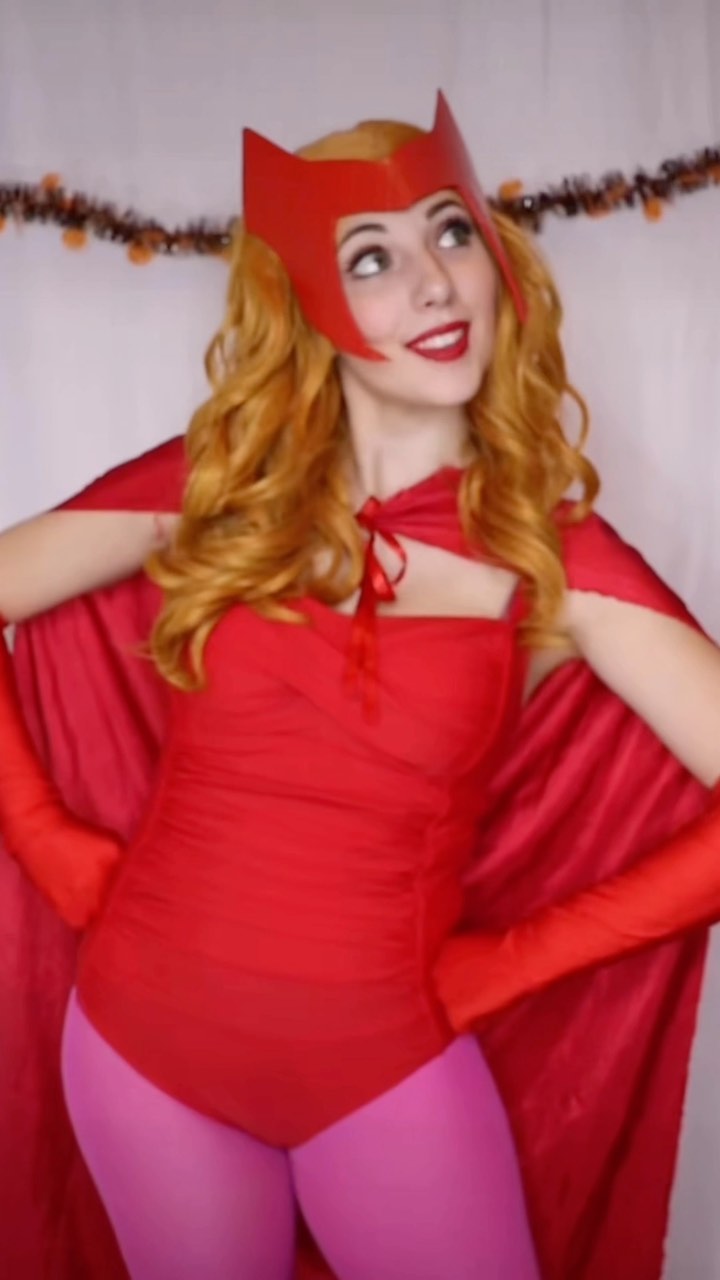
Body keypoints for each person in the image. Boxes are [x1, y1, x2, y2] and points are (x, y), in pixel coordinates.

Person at [0, 91, 718, 1280]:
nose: (434, 284)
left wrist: (521, 956)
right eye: (371, 258)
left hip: (381, 1065)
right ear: (308, 310)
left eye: (452, 232)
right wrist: (42, 834)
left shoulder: (552, 555)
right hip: (146, 1054)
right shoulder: (214, 488)